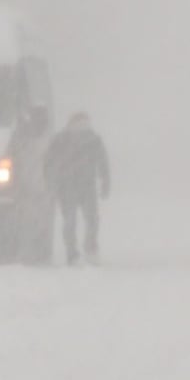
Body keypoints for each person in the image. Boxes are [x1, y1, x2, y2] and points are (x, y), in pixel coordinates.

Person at [44, 112, 110, 265]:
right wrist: (50, 181)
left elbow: (103, 162)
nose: (82, 126)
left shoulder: (93, 140)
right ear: (71, 123)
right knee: (70, 221)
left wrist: (105, 182)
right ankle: (72, 253)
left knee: (92, 220)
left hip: (87, 186)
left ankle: (90, 249)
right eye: (79, 123)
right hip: (66, 187)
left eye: (85, 123)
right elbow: (48, 162)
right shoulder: (60, 139)